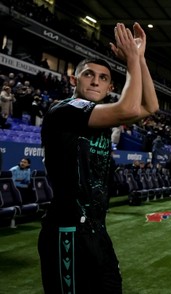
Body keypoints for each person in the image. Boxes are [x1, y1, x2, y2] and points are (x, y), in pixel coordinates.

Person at [38, 22, 159, 293]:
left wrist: (139, 58)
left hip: (96, 231)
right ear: (74, 80)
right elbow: (128, 107)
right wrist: (130, 61)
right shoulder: (64, 109)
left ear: (109, 87)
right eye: (88, 75)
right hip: (66, 231)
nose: (95, 81)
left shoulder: (100, 115)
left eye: (103, 78)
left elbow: (151, 106)